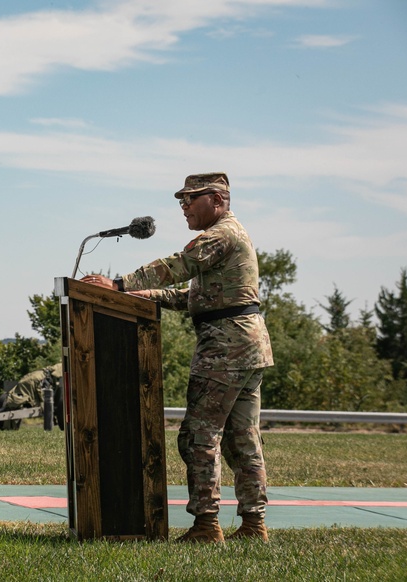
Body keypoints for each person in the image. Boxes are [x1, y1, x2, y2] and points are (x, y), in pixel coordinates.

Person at [82, 172, 273, 543]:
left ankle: (206, 525)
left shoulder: (221, 235)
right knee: (242, 440)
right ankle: (253, 525)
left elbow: (178, 265)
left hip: (225, 350)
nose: (183, 207)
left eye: (190, 199)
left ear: (217, 200)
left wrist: (119, 285)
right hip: (246, 347)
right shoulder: (232, 236)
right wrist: (144, 297)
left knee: (198, 437)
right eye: (180, 201)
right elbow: (192, 296)